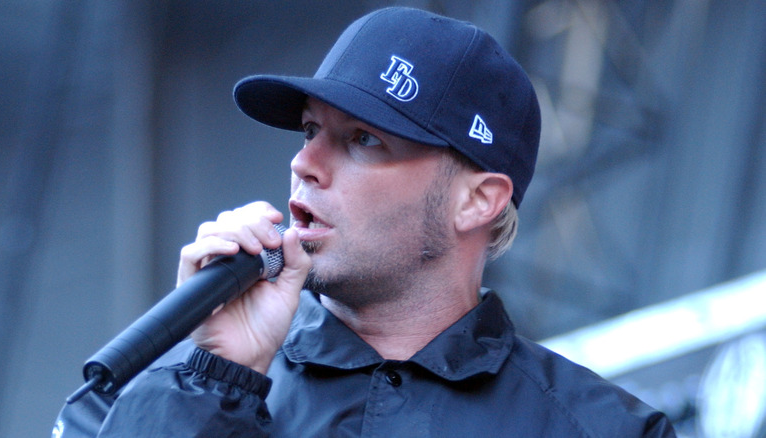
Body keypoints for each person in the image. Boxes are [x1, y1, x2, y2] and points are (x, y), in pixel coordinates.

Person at [54, 7, 676, 437]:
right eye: (308, 131)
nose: (304, 163)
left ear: (478, 200)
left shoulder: (606, 429)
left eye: (362, 140)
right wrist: (214, 376)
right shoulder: (142, 394)